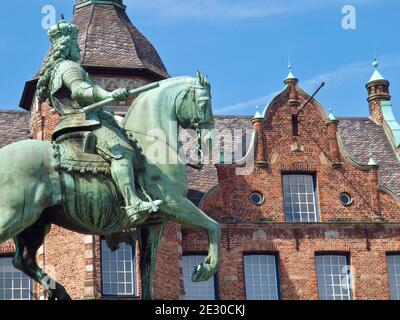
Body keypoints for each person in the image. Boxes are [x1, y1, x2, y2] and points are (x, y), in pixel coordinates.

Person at [36, 18, 161, 221]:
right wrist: (109, 94)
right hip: (86, 122)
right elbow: (80, 90)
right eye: (76, 44)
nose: (78, 48)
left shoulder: (56, 70)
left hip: (69, 124)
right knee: (121, 151)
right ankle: (133, 203)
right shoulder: (69, 67)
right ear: (68, 47)